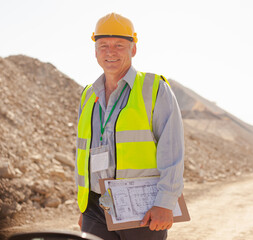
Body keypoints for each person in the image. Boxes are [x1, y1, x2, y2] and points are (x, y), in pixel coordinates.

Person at [75, 12, 184, 240]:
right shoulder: (88, 95)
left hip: (142, 210)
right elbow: (83, 154)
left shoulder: (155, 90)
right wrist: (83, 207)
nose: (110, 52)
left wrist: (165, 204)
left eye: (119, 45)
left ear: (133, 49)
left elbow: (172, 152)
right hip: (95, 208)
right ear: (95, 51)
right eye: (103, 45)